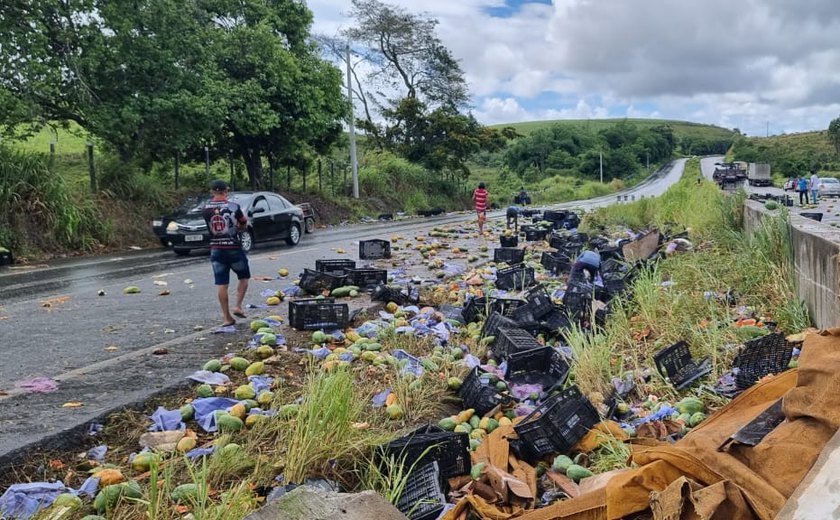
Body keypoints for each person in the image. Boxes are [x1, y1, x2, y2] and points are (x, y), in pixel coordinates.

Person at [202, 179, 251, 327]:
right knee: (244, 277)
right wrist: (240, 227)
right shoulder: (233, 206)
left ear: (212, 191)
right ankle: (238, 306)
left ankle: (226, 317)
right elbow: (243, 223)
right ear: (226, 191)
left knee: (222, 284)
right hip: (233, 248)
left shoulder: (205, 208)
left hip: (216, 249)